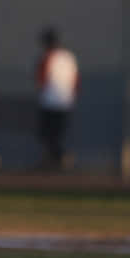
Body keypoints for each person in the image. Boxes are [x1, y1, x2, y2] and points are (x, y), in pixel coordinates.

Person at [36, 27, 79, 170]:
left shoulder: (48, 57)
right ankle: (54, 160)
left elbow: (41, 79)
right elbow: (75, 80)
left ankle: (60, 158)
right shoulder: (69, 57)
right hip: (65, 101)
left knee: (48, 134)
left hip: (49, 102)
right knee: (56, 134)